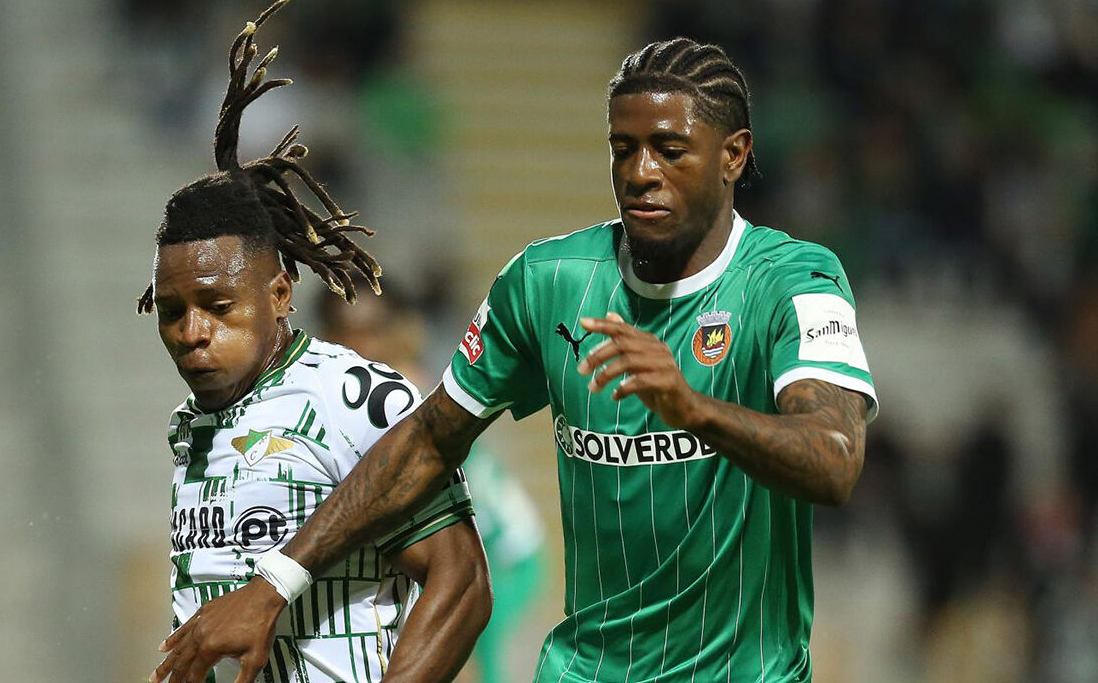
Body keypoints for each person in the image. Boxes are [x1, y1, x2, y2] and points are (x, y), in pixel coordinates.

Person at [156, 36, 879, 683]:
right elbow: (428, 441)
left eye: (669, 149)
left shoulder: (796, 281)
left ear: (734, 155)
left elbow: (835, 459)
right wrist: (274, 584)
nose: (640, 172)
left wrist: (693, 409)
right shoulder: (548, 280)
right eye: (623, 148)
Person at [144, 0, 491, 683]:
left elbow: (462, 584)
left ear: (279, 294)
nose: (191, 332)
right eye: (172, 311)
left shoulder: (354, 398)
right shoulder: (192, 426)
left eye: (217, 306)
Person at [317, 288, 547, 683]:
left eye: (368, 331)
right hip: (480, 541)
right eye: (342, 331)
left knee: (466, 649)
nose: (356, 343)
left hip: (504, 553)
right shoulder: (367, 390)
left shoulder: (405, 399)